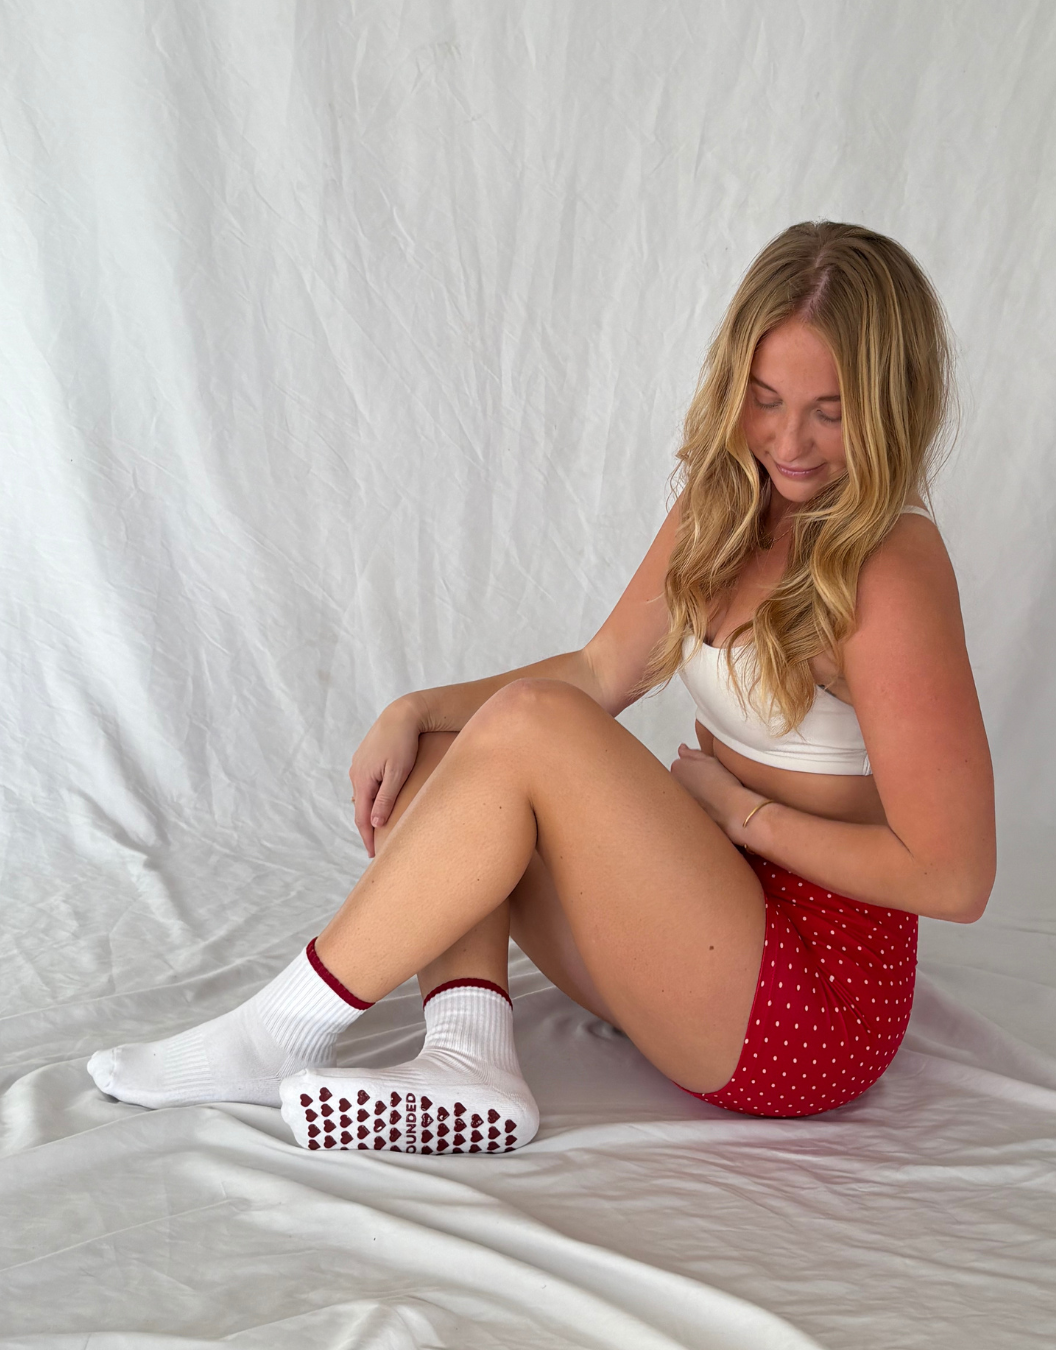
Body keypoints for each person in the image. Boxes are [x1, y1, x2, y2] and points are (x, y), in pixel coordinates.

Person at [88, 221, 996, 1153]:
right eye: (765, 400)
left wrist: (745, 816)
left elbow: (955, 878)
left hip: (811, 1013)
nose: (789, 440)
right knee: (447, 753)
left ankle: (278, 1030)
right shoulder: (728, 506)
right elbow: (601, 671)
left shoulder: (890, 568)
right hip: (705, 926)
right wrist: (413, 710)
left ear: (889, 406)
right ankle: (468, 1056)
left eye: (830, 412)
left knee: (528, 723)